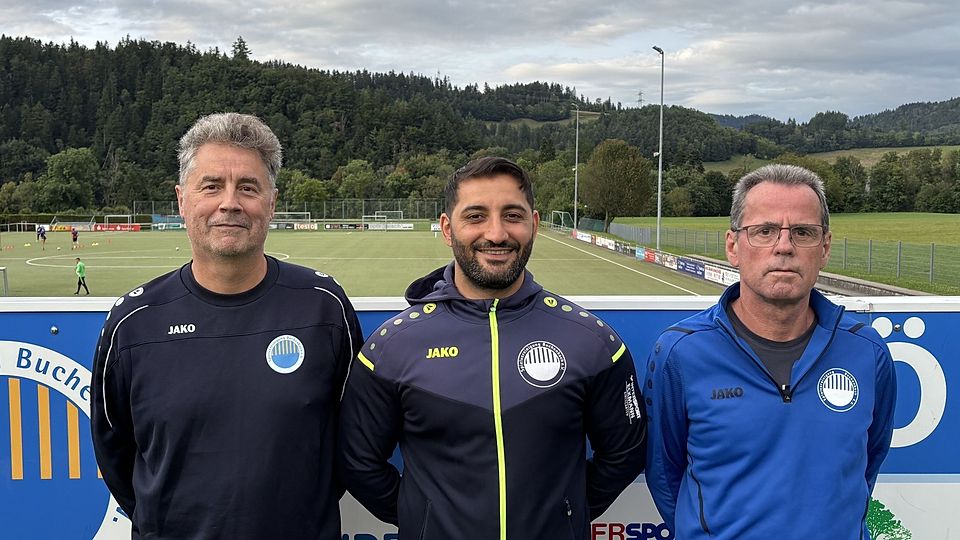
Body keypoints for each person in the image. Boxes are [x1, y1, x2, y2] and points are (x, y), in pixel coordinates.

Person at [338, 156, 646, 539]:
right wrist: (423, 519)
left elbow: (625, 453)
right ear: (448, 229)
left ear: (534, 225)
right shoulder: (393, 347)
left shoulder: (592, 340)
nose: (497, 234)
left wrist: (566, 514)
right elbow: (357, 462)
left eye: (512, 216)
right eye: (476, 216)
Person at [90, 112, 362, 540]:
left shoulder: (323, 307)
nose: (230, 202)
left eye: (248, 187)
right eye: (212, 185)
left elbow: (354, 441)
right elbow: (115, 454)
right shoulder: (133, 323)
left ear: (271, 203)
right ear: (182, 199)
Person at [644, 164, 897, 539]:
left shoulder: (868, 352)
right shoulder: (680, 352)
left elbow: (867, 464)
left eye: (803, 232)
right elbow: (664, 474)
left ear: (825, 248)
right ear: (733, 246)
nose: (784, 246)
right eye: (764, 231)